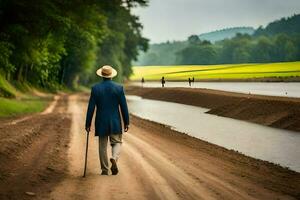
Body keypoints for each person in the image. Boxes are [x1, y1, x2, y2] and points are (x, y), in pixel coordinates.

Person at [85, 65, 129, 176]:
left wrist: (88, 123)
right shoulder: (119, 88)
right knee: (117, 142)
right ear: (111, 76)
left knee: (102, 146)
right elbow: (124, 107)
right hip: (115, 121)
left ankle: (104, 170)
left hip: (101, 121)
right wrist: (126, 122)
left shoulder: (95, 88)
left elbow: (91, 107)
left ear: (102, 76)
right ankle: (113, 158)